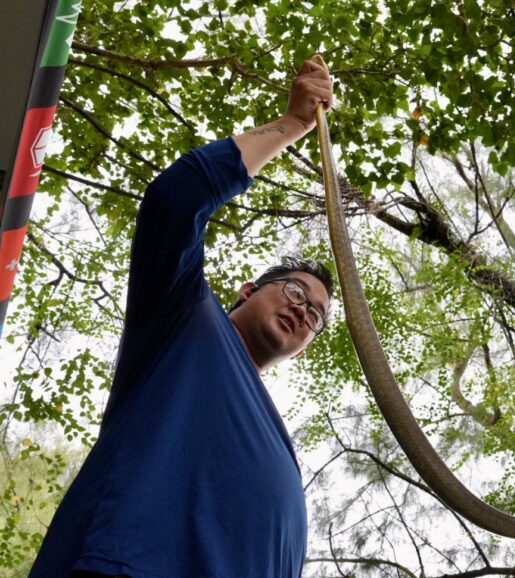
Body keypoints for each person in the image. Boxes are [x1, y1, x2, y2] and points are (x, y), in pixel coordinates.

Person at [29, 60, 337, 578]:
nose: (302, 310)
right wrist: (291, 125)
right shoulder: (186, 315)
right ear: (247, 290)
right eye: (294, 291)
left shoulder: (272, 428)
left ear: (304, 346)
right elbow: (175, 202)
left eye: (315, 315)